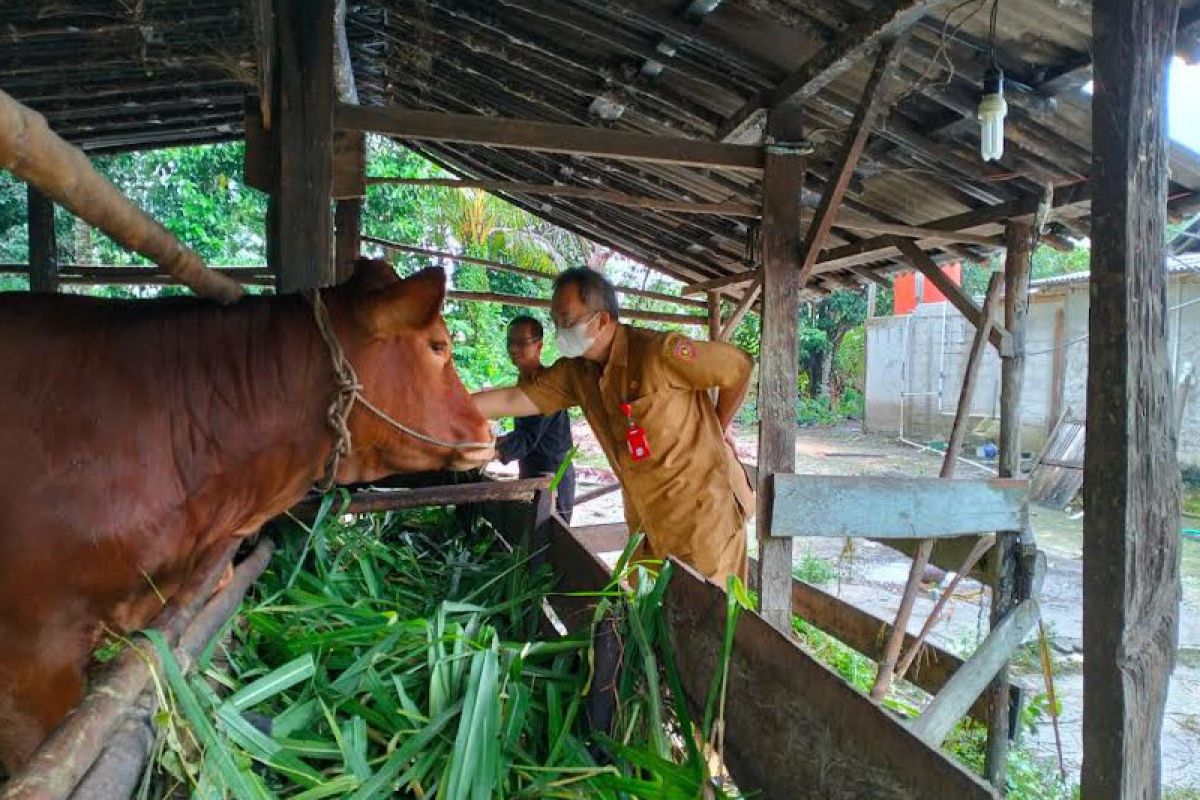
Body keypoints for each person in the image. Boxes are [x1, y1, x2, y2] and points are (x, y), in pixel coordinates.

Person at [474, 268, 755, 585]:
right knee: (649, 622)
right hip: (646, 526)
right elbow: (515, 399)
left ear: (602, 320)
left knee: (707, 626)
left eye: (567, 320)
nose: (559, 331)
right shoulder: (577, 374)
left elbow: (739, 368)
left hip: (704, 520)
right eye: (555, 321)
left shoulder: (657, 354)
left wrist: (717, 427)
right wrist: (445, 408)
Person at [495, 316, 576, 522]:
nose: (513, 348)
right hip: (531, 468)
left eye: (521, 343)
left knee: (553, 538)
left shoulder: (545, 385)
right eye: (510, 342)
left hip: (553, 474)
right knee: (529, 532)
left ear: (539, 346)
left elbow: (527, 438)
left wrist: (491, 450)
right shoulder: (524, 381)